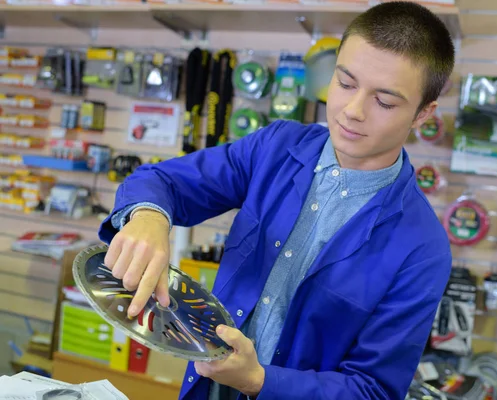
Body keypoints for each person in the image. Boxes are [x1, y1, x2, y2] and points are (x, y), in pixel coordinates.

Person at [98, 1, 455, 399]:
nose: (352, 111)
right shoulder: (275, 146)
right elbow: (161, 180)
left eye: (384, 102)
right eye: (345, 82)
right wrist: (149, 217)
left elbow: (373, 390)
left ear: (424, 113)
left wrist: (259, 381)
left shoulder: (423, 249)